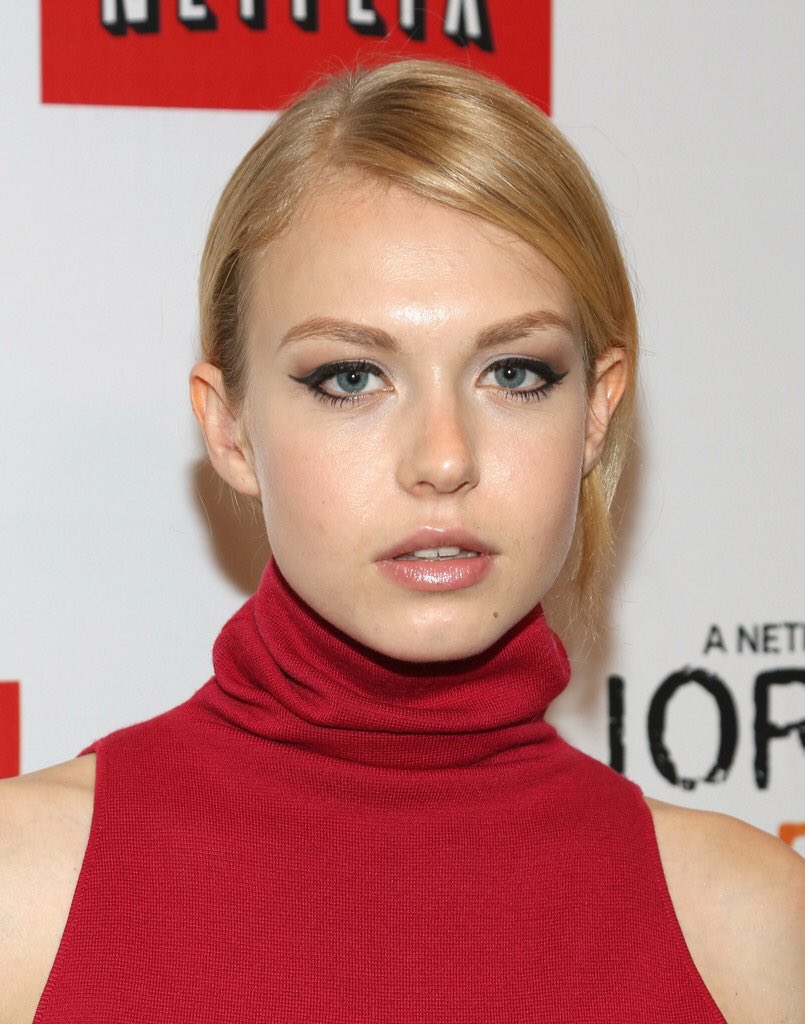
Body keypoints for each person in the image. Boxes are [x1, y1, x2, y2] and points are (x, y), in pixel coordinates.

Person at [1, 59, 802, 1024]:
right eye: (350, 378)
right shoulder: (24, 896)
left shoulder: (750, 927)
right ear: (229, 429)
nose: (443, 459)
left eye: (513, 373)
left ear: (596, 412)